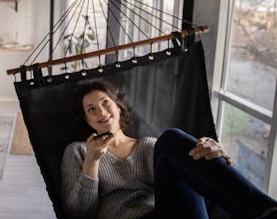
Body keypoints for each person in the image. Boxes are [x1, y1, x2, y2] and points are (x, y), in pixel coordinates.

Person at [61, 80, 277, 219]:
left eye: (105, 102)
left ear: (118, 106)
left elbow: (196, 187)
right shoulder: (78, 151)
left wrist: (214, 153)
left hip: (168, 215)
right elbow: (78, 214)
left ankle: (265, 211)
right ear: (87, 120)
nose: (101, 111)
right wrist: (92, 162)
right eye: (91, 109)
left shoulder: (151, 147)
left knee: (172, 139)